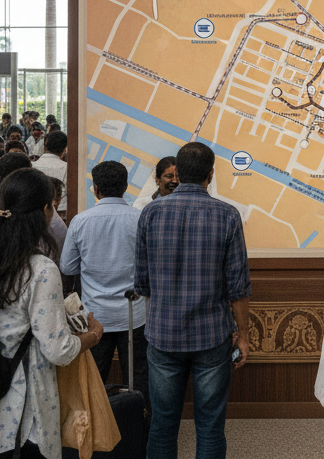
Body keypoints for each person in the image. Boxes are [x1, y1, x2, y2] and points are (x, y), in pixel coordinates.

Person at [0, 168, 105, 459]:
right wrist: (92, 336)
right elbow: (58, 350)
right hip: (21, 411)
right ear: (46, 210)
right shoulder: (40, 269)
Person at [135, 142, 252, 459]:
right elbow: (237, 286)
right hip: (212, 338)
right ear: (211, 174)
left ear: (178, 173)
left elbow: (142, 281)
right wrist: (244, 335)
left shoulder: (150, 214)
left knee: (162, 425)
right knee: (211, 427)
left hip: (162, 336)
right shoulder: (227, 216)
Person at [62, 160, 150, 406]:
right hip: (135, 316)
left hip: (94, 318)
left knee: (92, 381)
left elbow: (67, 267)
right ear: (125, 187)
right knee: (139, 380)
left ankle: (95, 437)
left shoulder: (81, 221)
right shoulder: (140, 218)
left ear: (96, 188)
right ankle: (140, 433)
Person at [30, 130, 68, 214]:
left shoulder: (31, 166)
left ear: (45, 147)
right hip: (61, 214)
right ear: (64, 150)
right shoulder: (68, 168)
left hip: (35, 213)